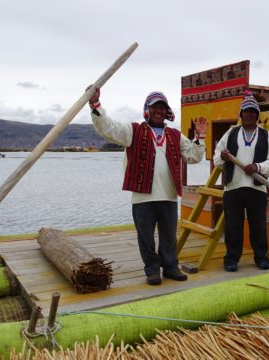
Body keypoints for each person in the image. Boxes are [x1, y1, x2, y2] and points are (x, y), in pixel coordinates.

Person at [88, 87, 207, 285]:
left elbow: (193, 157)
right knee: (146, 238)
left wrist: (199, 137)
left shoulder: (176, 136)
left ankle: (170, 268)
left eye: (162, 108)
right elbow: (108, 128)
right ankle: (152, 270)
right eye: (155, 107)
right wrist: (96, 105)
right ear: (147, 110)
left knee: (169, 236)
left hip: (168, 195)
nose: (159, 111)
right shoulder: (133, 131)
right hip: (143, 197)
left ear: (166, 112)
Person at [213, 91, 269, 272]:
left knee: (258, 225)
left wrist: (257, 167)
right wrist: (223, 157)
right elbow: (217, 161)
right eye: (246, 111)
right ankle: (232, 259)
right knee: (233, 226)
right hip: (233, 188)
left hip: (257, 189)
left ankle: (261, 257)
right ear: (241, 114)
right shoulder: (230, 134)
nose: (249, 114)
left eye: (252, 112)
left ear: (257, 115)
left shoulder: (267, 136)